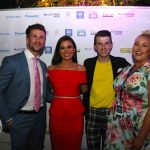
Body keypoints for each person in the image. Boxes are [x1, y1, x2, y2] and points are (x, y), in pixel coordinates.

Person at [0, 23, 52, 150]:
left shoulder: (43, 65)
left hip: (40, 119)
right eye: (34, 36)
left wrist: (68, 97)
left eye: (41, 37)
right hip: (18, 119)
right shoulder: (11, 62)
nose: (38, 40)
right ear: (27, 39)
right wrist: (6, 117)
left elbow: (46, 94)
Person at [83, 30, 130, 150]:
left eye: (107, 43)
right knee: (92, 147)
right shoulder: (88, 63)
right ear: (95, 46)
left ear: (111, 45)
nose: (103, 47)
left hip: (112, 114)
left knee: (110, 147)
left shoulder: (120, 62)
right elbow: (83, 87)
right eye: (99, 43)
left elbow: (134, 78)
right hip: (92, 113)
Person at [104, 31, 150, 149]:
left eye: (145, 45)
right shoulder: (126, 69)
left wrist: (141, 137)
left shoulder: (148, 72)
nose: (139, 48)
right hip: (117, 128)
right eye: (136, 44)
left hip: (137, 129)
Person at [47, 35, 87, 150]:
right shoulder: (51, 69)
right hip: (56, 115)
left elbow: (84, 90)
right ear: (58, 51)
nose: (66, 51)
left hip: (75, 116)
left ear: (74, 49)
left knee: (74, 146)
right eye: (62, 48)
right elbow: (47, 90)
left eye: (69, 47)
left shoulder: (81, 69)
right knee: (57, 146)